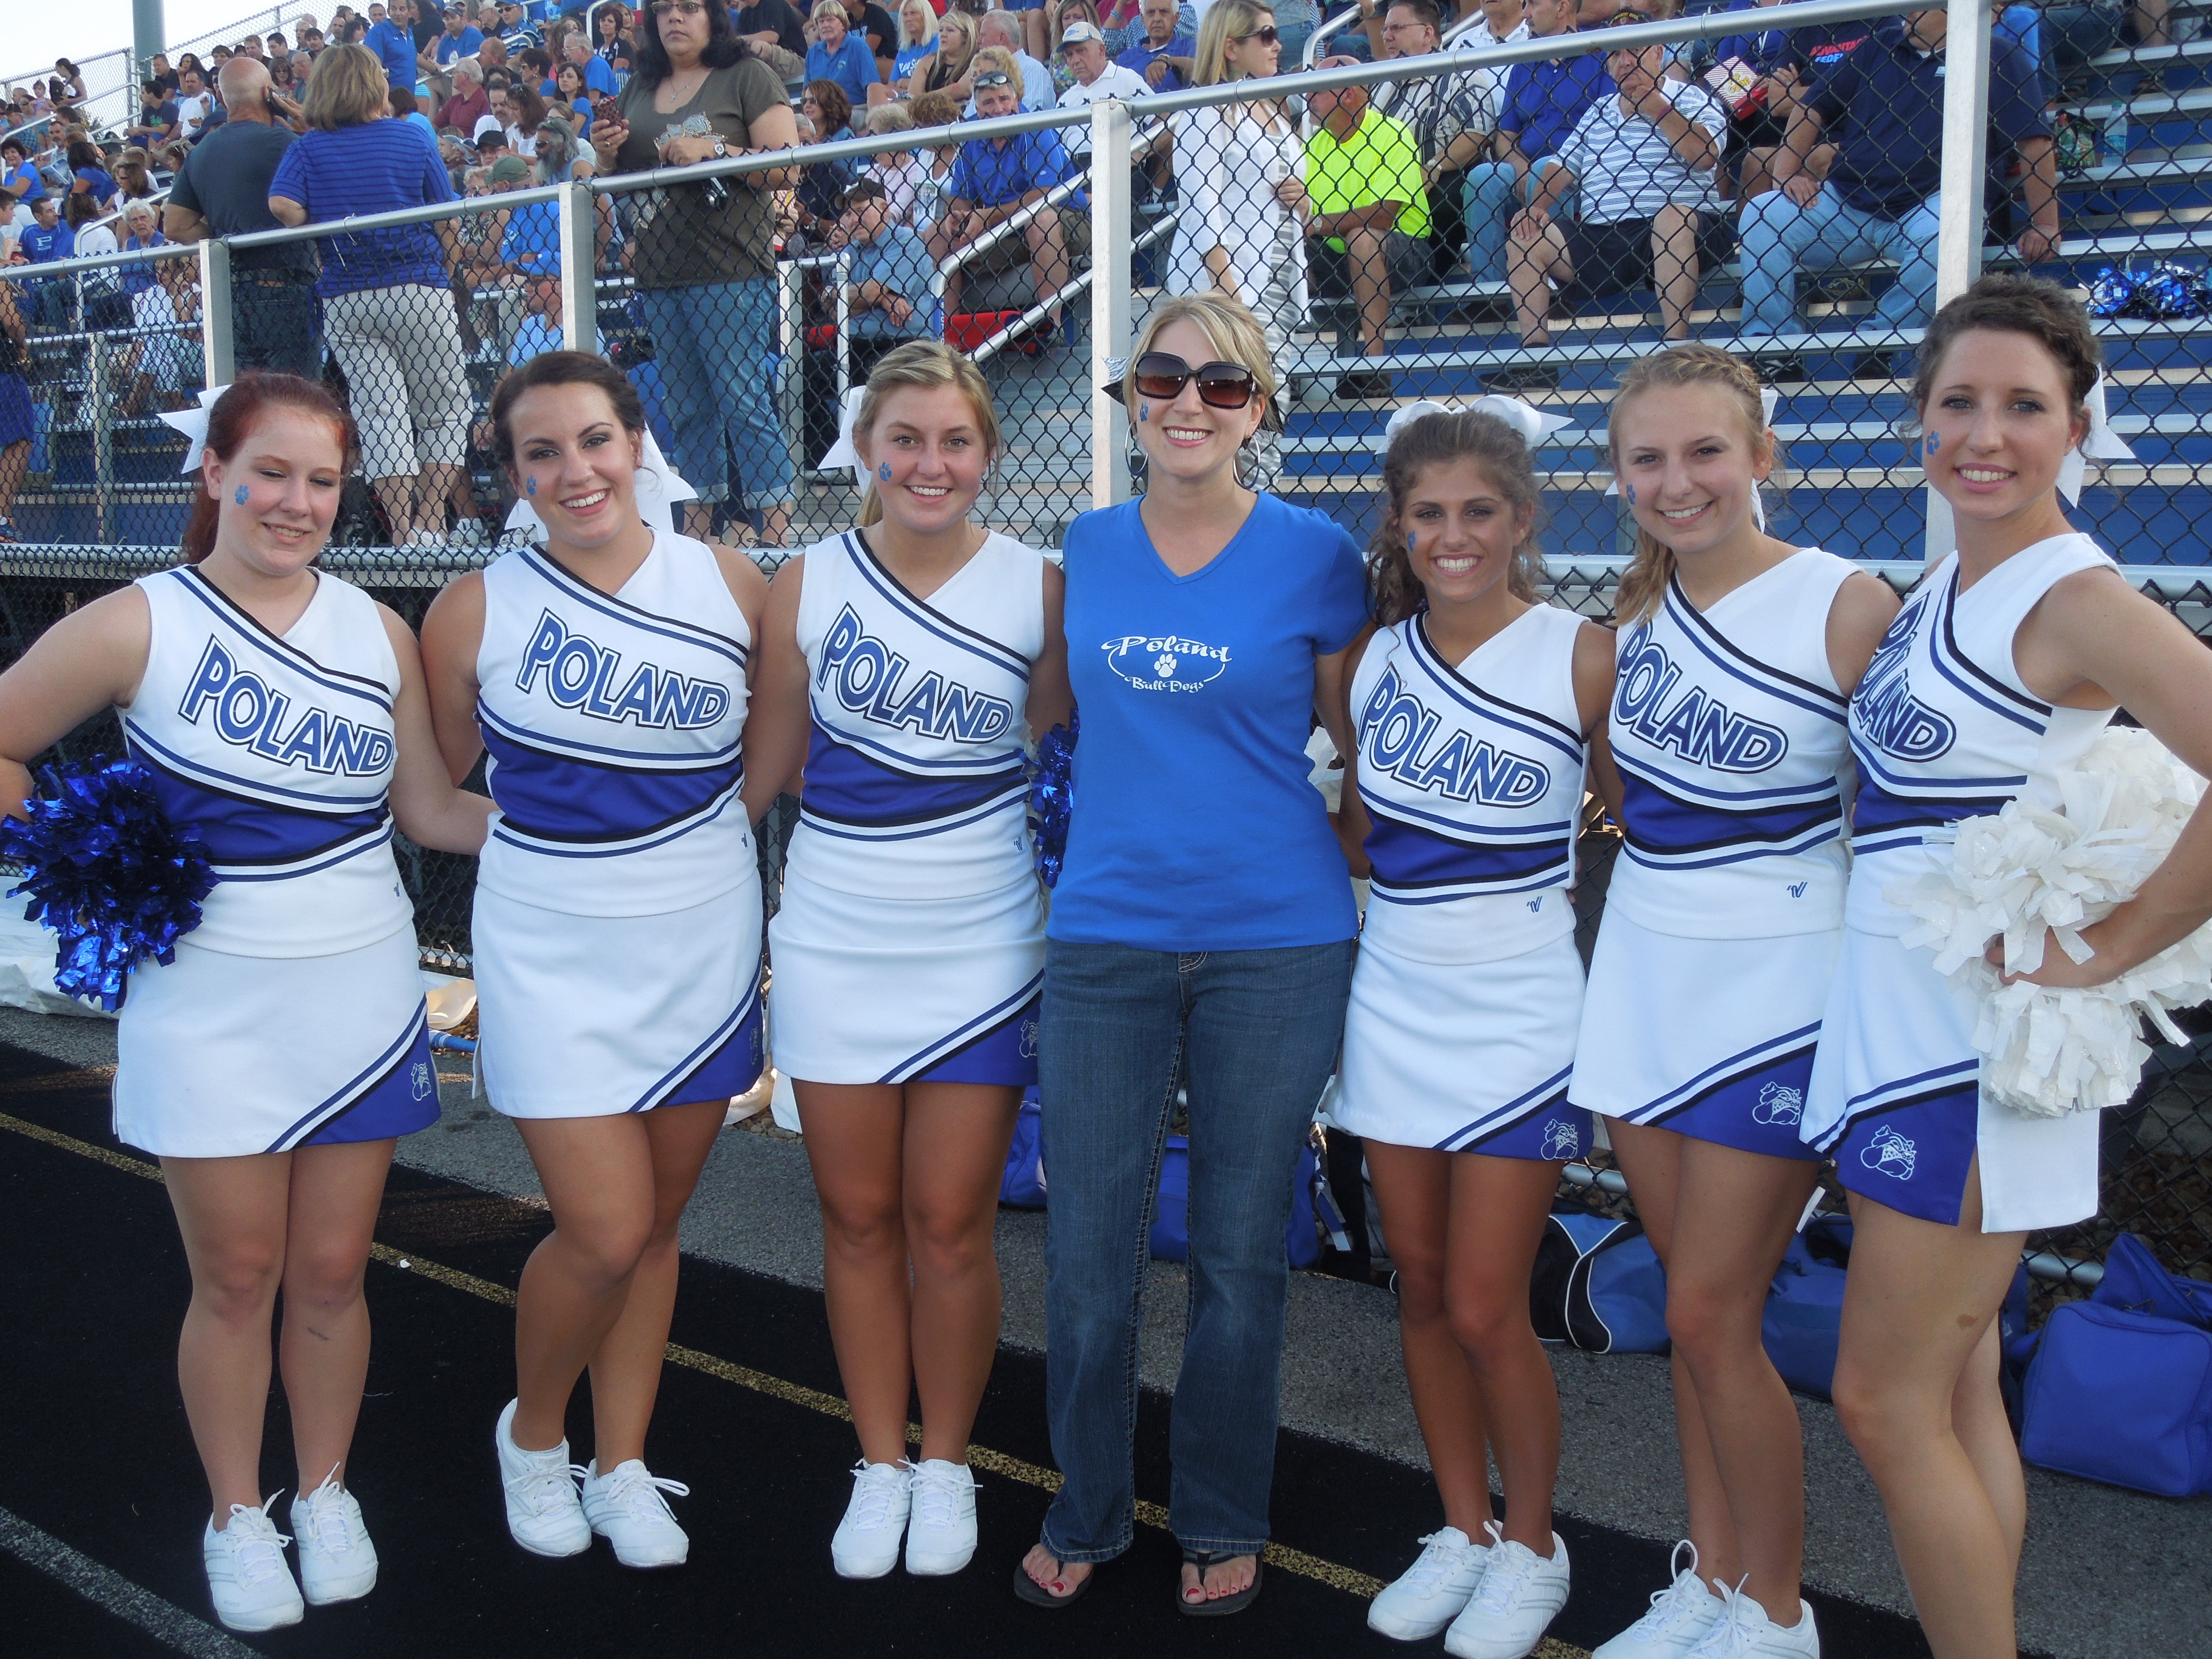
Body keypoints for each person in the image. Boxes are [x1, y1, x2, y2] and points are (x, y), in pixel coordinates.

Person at [0, 371, 492, 1631]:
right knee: (236, 1276)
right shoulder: (136, 623)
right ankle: (236, 1510)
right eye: (269, 472)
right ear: (214, 473)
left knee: (332, 1273)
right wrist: (72, 853)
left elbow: (431, 811)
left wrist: (631, 828)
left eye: (322, 481)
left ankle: (324, 1489)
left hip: (362, 986)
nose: (296, 502)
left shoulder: (375, 630)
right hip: (207, 998)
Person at [1799, 275, 2212, 1659]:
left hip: (1969, 1058)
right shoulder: (1947, 580)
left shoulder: (2074, 593)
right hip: (1902, 1030)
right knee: (1960, 1382)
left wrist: (2118, 942)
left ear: (2077, 425)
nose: (1986, 433)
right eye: (1958, 402)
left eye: (2025, 407)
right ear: (1918, 418)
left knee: (1882, 1399)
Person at [1016, 293, 1364, 1617]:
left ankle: (1221, 1510)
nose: (1188, 402)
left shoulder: (1318, 555)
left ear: (1259, 409)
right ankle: (1089, 1505)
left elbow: (1359, 755)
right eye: (1162, 376)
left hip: (1277, 944)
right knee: (1091, 1250)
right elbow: (1049, 714)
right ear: (1127, 397)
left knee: (1234, 1253)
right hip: (1106, 934)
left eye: (1223, 384)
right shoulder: (1087, 546)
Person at [1570, 344, 1899, 1659]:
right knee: (1699, 1322)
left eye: (1706, 451)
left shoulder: (1848, 604)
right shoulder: (1632, 628)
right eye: (1647, 458)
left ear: (1763, 456)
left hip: (1781, 993)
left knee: (1711, 1311)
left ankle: (1779, 1609)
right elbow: (1617, 802)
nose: (1677, 479)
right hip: (1647, 975)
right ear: (1619, 478)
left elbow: (1920, 813)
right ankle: (1708, 1578)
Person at [418, 349, 769, 1575]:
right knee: (606, 1228)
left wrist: (692, 837)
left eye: (593, 442)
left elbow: (769, 753)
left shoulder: (730, 581)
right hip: (552, 945)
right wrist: (552, 844)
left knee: (659, 1225)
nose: (574, 472)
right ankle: (532, 1432)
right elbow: (431, 795)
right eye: (541, 453)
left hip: (700, 938)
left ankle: (620, 1462)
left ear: (638, 444)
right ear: (513, 474)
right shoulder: (476, 606)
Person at [743, 342, 1070, 1581]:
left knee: (950, 1222)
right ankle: (879, 1459)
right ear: (866, 450)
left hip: (983, 937)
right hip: (833, 927)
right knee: (858, 1213)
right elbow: (759, 783)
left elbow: (1064, 769)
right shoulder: (804, 586)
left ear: (988, 454)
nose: (931, 465)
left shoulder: (1037, 591)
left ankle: (948, 1463)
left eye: (957, 443)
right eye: (908, 440)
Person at [1334, 402, 1613, 1656]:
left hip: (1520, 1009)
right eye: (1430, 514)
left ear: (1523, 521)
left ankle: (1535, 1548)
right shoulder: (1367, 664)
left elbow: (1642, 827)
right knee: (1424, 1284)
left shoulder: (1583, 655)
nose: (1454, 537)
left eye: (1479, 514)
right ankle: (1461, 1526)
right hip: (1395, 995)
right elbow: (1360, 838)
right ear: (1399, 523)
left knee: (1494, 1303)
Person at [1738, 8, 2056, 381]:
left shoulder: (1997, 53)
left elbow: (2034, 142)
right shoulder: (1881, 45)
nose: (1909, 10)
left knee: (1949, 231)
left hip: (1931, 204)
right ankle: (1773, 347)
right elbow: (1811, 107)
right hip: (1848, 201)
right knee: (1763, 214)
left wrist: (2046, 223)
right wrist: (1787, 173)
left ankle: (1881, 340)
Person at [590, 0, 800, 545]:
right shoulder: (638, 86)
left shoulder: (745, 76)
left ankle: (775, 538)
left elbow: (785, 164)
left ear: (713, 18)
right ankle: (698, 537)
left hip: (730, 267)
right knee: (687, 412)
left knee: (744, 402)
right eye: (663, 10)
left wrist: (714, 149)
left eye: (688, 8)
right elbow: (622, 174)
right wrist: (607, 154)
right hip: (660, 273)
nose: (674, 19)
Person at [267, 43, 472, 543]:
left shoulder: (308, 147)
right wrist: (449, 267)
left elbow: (283, 206)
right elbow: (445, 215)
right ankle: (429, 523)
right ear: (375, 86)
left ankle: (402, 532)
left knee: (380, 410)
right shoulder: (410, 137)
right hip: (417, 286)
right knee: (446, 407)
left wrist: (323, 218)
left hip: (348, 295)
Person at [1497, 33, 1729, 387]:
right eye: (1616, 54)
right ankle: (1536, 358)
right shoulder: (1599, 110)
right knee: (1526, 234)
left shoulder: (1692, 97)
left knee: (1672, 218)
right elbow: (1561, 167)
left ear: (1657, 52)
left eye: (1634, 50)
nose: (1624, 62)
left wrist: (1659, 109)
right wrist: (1536, 208)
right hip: (1603, 235)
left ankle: (1675, 350)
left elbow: (1705, 157)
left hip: (1681, 226)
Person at [1166, 0, 1305, 483]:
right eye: (1266, 36)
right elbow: (1202, 207)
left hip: (1282, 275)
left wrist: (1302, 198)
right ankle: (1237, 515)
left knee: (1271, 409)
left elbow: (1297, 202)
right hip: (1232, 286)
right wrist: (1230, 295)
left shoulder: (1276, 106)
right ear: (1231, 46)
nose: (1278, 45)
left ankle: (1260, 511)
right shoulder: (1206, 109)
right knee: (1234, 412)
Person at [927, 67, 1084, 343]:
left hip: (1068, 217)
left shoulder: (1037, 126)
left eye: (1004, 99)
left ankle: (1053, 325)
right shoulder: (972, 134)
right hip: (1005, 229)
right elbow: (961, 195)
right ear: (977, 107)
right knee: (938, 232)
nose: (998, 108)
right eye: (989, 102)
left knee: (1041, 220)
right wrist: (960, 215)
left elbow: (1043, 195)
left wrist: (986, 216)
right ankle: (949, 336)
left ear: (1016, 99)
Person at [1304, 59, 1430, 402]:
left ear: (1347, 94)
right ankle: (1283, 359)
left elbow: (1383, 216)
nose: (1307, 96)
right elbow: (1297, 214)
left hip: (1402, 253)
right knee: (1277, 239)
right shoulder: (1313, 146)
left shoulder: (1392, 132)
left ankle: (1375, 362)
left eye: (1317, 89)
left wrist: (1316, 223)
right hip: (1334, 253)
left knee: (1363, 237)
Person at [1461, 0, 1604, 286]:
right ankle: (1488, 289)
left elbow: (1608, 126)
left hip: (1580, 168)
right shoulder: (1524, 62)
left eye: (1534, 5)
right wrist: (1519, 166)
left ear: (1562, 7)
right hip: (1524, 166)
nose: (1525, 14)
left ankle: (1554, 283)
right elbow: (1506, 135)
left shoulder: (1598, 56)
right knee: (1482, 177)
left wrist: (1540, 170)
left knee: (1545, 169)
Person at [1370, 0, 1503, 276]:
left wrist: (1434, 167)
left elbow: (1478, 134)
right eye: (1385, 30)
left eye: (1397, 28)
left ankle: (1426, 279)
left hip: (1439, 179)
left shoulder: (1461, 73)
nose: (1387, 36)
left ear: (1428, 33)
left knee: (1449, 191)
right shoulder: (1381, 83)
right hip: (1385, 182)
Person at [829, 176, 943, 349]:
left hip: (905, 344)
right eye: (848, 214)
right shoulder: (849, 251)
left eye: (861, 211)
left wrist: (839, 295)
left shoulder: (906, 242)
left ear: (884, 210)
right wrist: (884, 299)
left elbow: (871, 292)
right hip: (853, 342)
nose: (854, 220)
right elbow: (832, 310)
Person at [1054, 22, 1150, 158]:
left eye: (1081, 51)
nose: (1075, 60)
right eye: (1070, 55)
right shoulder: (1065, 101)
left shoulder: (1126, 79)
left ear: (1101, 51)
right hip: (1074, 171)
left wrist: (1143, 151)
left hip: (1119, 165)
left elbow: (1165, 121)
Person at [978, 8, 1057, 107]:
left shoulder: (1033, 71)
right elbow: (970, 116)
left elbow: (1030, 117)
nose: (979, 41)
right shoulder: (984, 73)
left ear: (1002, 38)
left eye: (983, 36)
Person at [807, 0, 883, 101]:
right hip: (822, 113)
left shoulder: (858, 47)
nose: (825, 25)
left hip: (853, 110)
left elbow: (873, 86)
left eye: (830, 20)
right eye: (821, 21)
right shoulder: (813, 53)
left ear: (843, 24)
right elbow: (806, 92)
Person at [0, 283, 28, 542]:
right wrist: (23, 344)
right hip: (3, 370)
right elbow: (12, 321)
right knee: (20, 441)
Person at [1118, 0, 1197, 88]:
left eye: (1164, 12)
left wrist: (1169, 60)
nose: (1157, 19)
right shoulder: (1126, 58)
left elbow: (1206, 70)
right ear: (1143, 20)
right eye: (1151, 13)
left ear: (1176, 18)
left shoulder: (1189, 47)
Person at [913, 7, 981, 97]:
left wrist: (923, 100)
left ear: (966, 37)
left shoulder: (977, 60)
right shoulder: (927, 62)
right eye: (941, 30)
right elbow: (912, 97)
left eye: (950, 30)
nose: (943, 35)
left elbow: (962, 90)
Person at [735, 0, 812, 78]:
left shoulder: (773, 3)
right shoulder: (745, 14)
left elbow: (773, 37)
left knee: (759, 46)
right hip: (774, 63)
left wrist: (742, 39)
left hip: (797, 61)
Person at [366, 0, 425, 89]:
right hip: (389, 97)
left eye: (402, 9)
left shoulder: (409, 32)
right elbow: (371, 67)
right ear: (389, 12)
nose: (398, 13)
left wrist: (435, 70)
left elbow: (413, 54)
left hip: (409, 96)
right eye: (394, 9)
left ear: (410, 13)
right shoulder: (378, 32)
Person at [893, 0, 939, 89]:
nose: (908, 19)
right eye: (905, 15)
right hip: (901, 98)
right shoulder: (904, 49)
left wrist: (903, 82)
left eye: (913, 13)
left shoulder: (937, 42)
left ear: (926, 16)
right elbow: (892, 84)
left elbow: (930, 82)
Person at [439, 56, 494, 130]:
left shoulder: (485, 100)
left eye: (455, 72)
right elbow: (434, 126)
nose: (452, 76)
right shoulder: (455, 100)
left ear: (465, 76)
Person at [129, 80, 184, 146]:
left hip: (168, 139)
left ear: (151, 94)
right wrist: (134, 132)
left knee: (152, 137)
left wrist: (142, 129)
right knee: (130, 141)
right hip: (154, 136)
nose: (141, 96)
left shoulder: (169, 107)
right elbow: (143, 130)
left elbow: (164, 131)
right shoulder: (148, 110)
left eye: (143, 93)